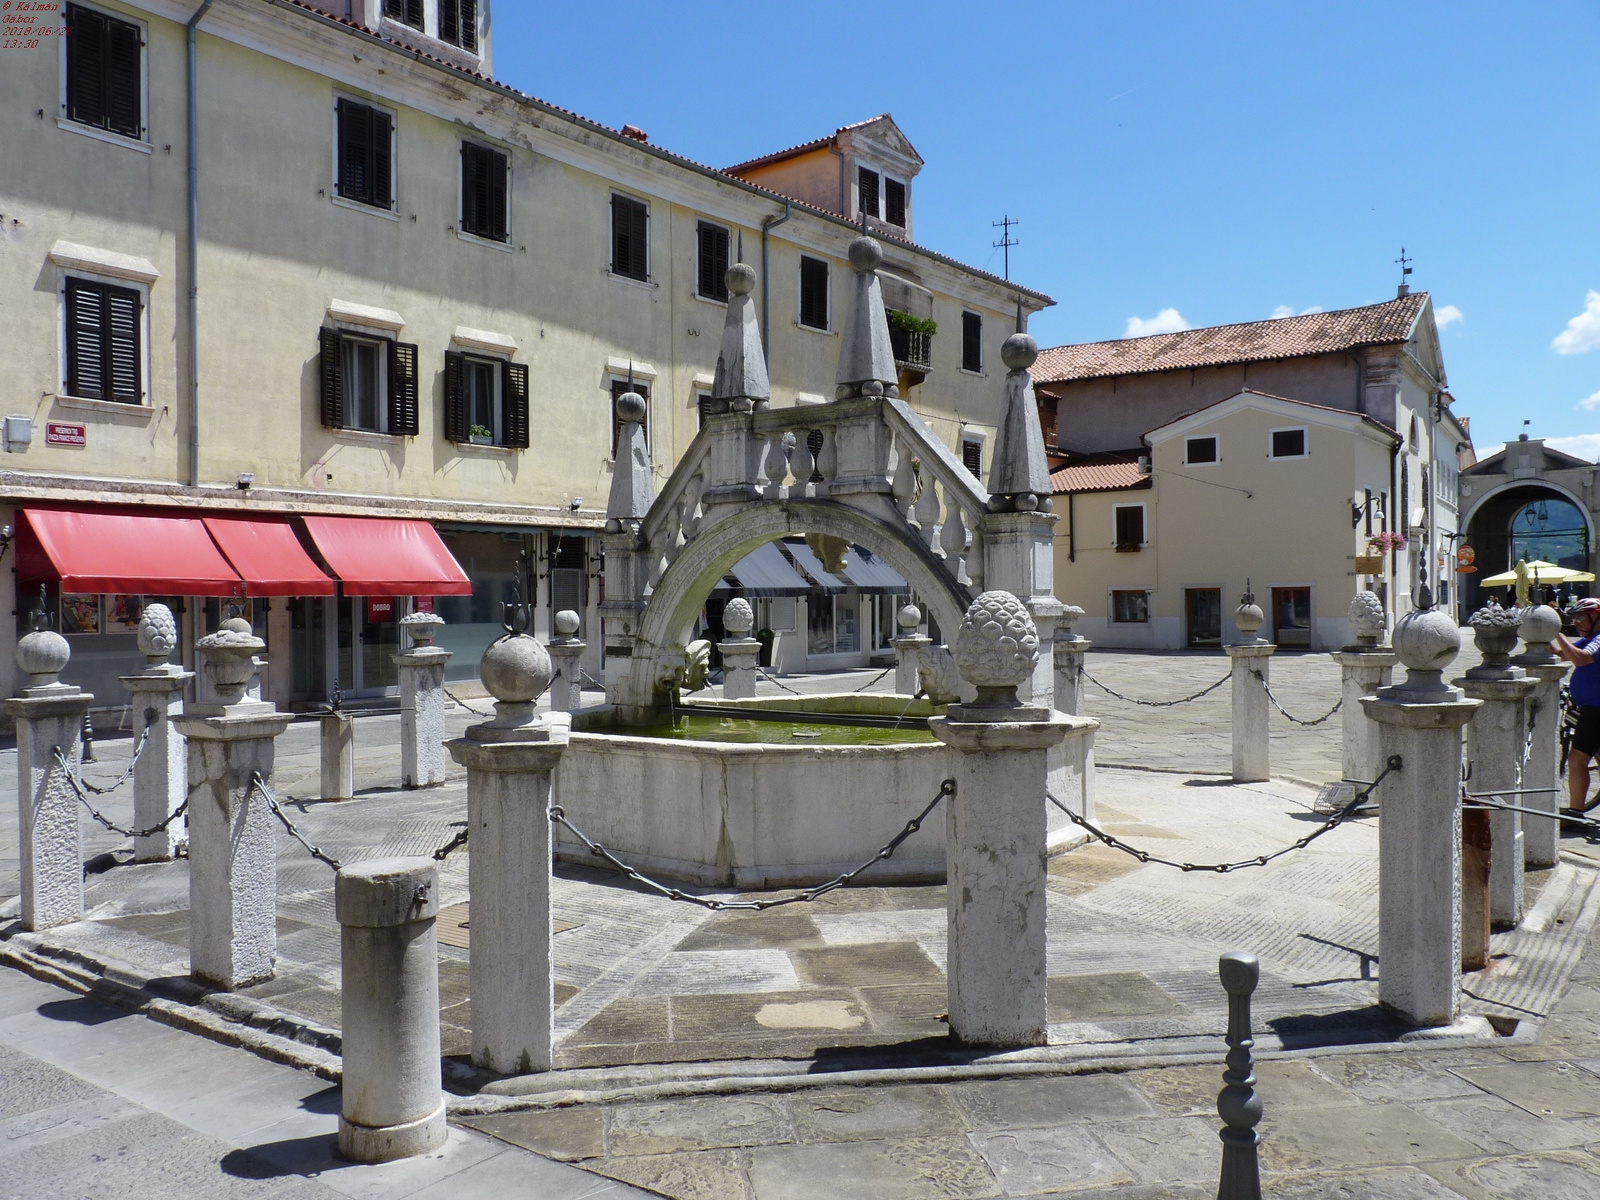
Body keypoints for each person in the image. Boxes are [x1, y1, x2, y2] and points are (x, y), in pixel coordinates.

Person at [1554, 596, 1600, 817]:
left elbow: (1580, 659)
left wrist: (1557, 633)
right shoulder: (1591, 637)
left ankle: (1575, 812)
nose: (1577, 623)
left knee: (1577, 759)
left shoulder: (1599, 639)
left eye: (1581, 618)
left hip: (1597, 709)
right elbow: (1564, 654)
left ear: (1596, 617)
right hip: (1590, 708)